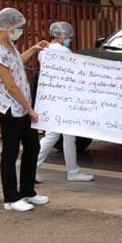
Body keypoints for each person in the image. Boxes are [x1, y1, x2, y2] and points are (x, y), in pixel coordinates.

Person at [0, 7, 49, 212]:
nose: (20, 32)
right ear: (7, 26)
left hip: (21, 108)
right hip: (10, 109)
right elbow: (10, 86)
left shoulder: (9, 44)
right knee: (10, 152)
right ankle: (11, 198)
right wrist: (29, 108)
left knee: (32, 147)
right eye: (18, 28)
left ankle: (28, 191)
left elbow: (16, 63)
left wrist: (33, 49)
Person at [35, 22, 95, 183]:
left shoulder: (44, 51)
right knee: (55, 135)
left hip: (53, 98)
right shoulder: (64, 52)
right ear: (60, 36)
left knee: (67, 136)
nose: (69, 39)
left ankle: (72, 170)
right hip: (65, 99)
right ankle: (32, 167)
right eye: (68, 37)